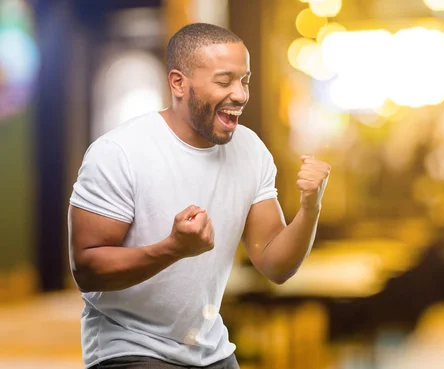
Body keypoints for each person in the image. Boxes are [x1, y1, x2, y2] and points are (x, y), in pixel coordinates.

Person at [68, 23, 330, 369]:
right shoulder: (119, 152)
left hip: (211, 348)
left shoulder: (251, 151)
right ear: (179, 83)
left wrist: (310, 208)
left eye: (245, 80)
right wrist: (172, 249)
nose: (240, 94)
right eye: (224, 81)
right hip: (129, 347)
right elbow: (87, 269)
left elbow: (275, 264)